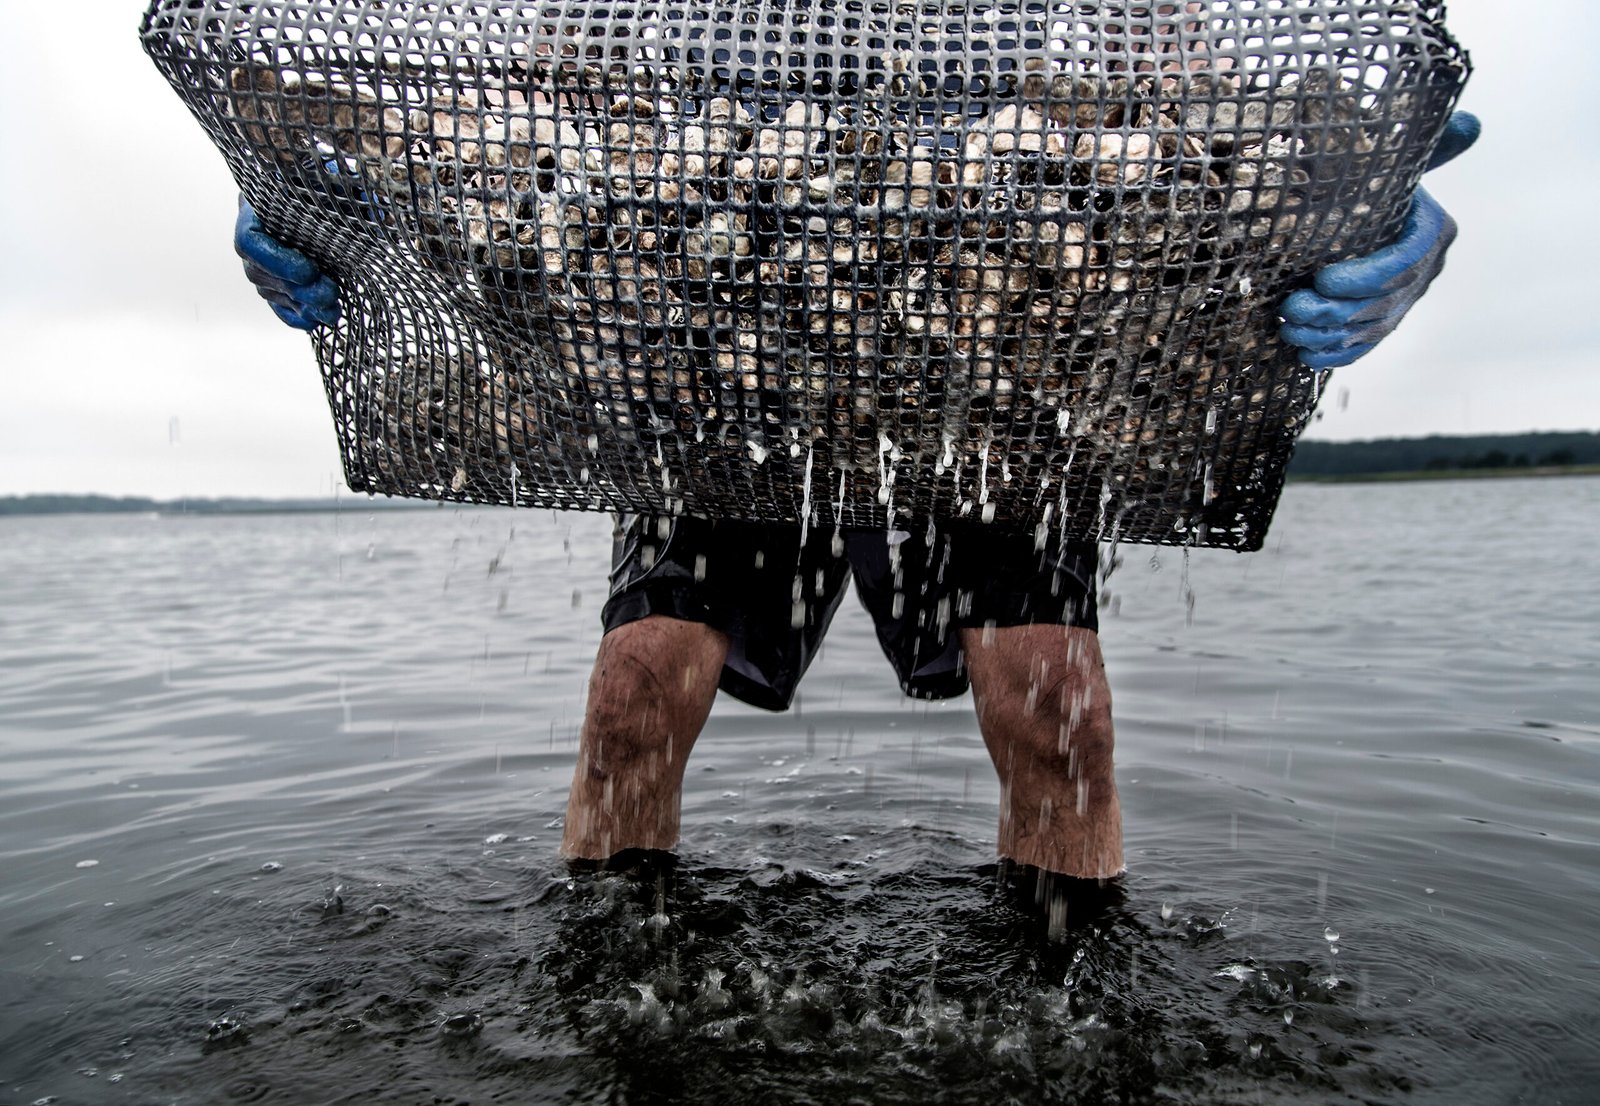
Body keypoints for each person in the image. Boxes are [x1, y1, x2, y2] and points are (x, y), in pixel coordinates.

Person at [236, 96, 1478, 887]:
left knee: (1049, 692)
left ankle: (1067, 985)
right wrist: (319, 178)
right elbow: (529, 100)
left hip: (1000, 347)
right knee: (635, 686)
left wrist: (1350, 197)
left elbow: (1184, 93)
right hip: (714, 338)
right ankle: (607, 973)